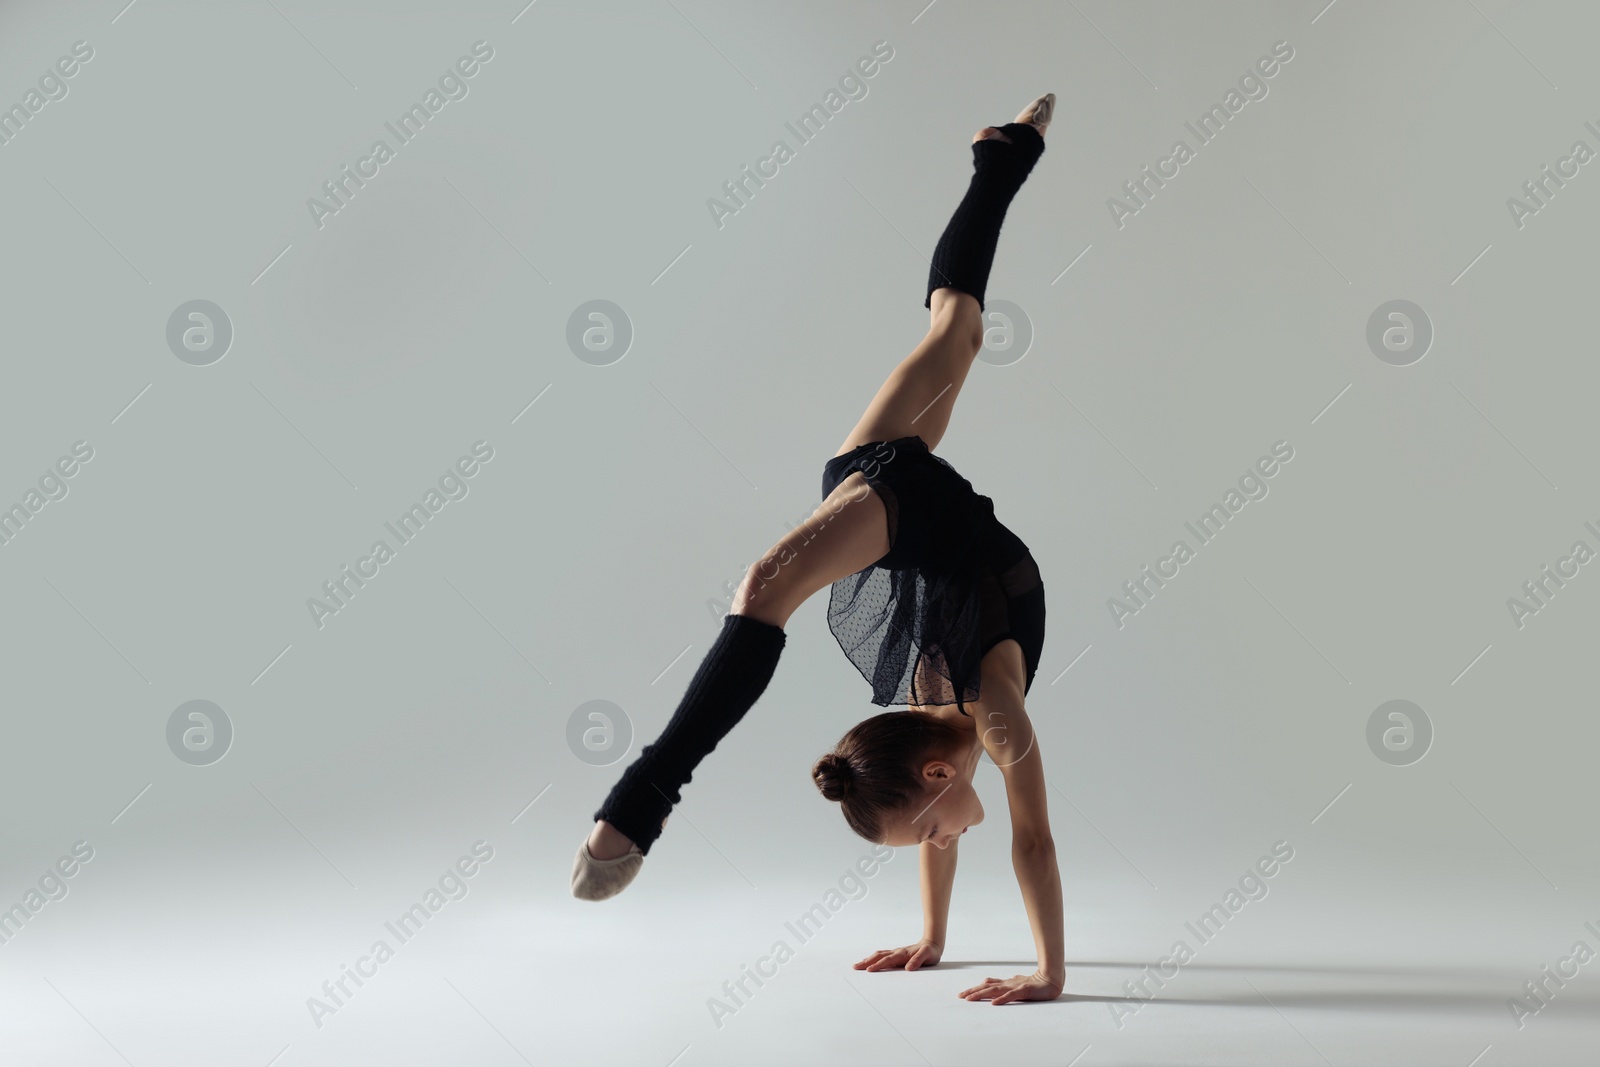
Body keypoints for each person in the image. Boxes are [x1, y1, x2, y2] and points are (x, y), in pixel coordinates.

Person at [572, 93, 1064, 1005]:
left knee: (764, 584)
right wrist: (934, 938)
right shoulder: (979, 719)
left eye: (924, 834)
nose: (941, 840)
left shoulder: (967, 728)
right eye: (925, 842)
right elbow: (984, 827)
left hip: (903, 507)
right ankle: (1003, 158)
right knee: (955, 325)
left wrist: (1049, 973)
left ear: (933, 770)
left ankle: (645, 794)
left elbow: (1023, 840)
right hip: (910, 507)